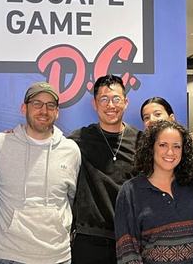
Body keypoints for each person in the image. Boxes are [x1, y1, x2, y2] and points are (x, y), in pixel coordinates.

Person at [0, 82, 80, 264]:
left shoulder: (71, 150)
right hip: (9, 255)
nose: (43, 110)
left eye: (50, 105)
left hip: (57, 256)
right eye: (37, 103)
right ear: (24, 108)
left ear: (57, 112)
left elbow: (71, 198)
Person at [69, 74, 142, 264]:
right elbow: (47, 142)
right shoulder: (80, 138)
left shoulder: (140, 141)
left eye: (116, 99)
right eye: (104, 99)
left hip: (129, 238)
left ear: (125, 102)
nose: (111, 105)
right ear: (95, 104)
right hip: (88, 238)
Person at [114, 120, 193, 264]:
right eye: (163, 145)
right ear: (151, 148)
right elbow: (127, 250)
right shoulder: (131, 191)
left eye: (177, 146)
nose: (170, 152)